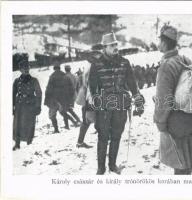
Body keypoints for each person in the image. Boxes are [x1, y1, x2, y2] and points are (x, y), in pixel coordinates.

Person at [88, 32, 145, 175]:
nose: (115, 47)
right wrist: (92, 106)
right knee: (103, 137)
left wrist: (137, 97)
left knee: (116, 136)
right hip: (104, 107)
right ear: (104, 47)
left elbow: (132, 83)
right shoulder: (96, 64)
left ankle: (112, 165)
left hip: (120, 106)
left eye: (115, 44)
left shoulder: (124, 62)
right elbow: (92, 87)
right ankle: (101, 168)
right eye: (111, 45)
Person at [154, 25, 192, 175]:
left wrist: (160, 122)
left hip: (175, 123)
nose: (159, 44)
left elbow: (164, 100)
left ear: (164, 43)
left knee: (179, 164)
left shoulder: (166, 65)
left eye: (160, 40)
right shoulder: (185, 59)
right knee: (187, 163)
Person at [13, 60, 42, 150]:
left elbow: (39, 93)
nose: (26, 70)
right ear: (20, 70)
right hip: (20, 106)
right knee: (17, 124)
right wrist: (12, 107)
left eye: (27, 68)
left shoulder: (34, 80)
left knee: (30, 124)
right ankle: (17, 143)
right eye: (24, 68)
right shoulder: (17, 81)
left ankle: (29, 142)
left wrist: (38, 106)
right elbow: (13, 94)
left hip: (30, 106)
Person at [44, 64, 78, 132]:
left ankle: (56, 129)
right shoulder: (66, 76)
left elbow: (49, 89)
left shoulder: (52, 76)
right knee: (63, 112)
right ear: (60, 68)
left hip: (54, 99)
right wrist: (70, 98)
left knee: (52, 115)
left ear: (54, 68)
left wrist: (46, 99)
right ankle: (68, 125)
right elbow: (71, 88)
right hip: (64, 98)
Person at [75, 63, 94, 148]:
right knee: (88, 121)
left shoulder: (83, 78)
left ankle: (80, 142)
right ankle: (80, 142)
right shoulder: (89, 79)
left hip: (86, 101)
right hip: (90, 101)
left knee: (86, 122)